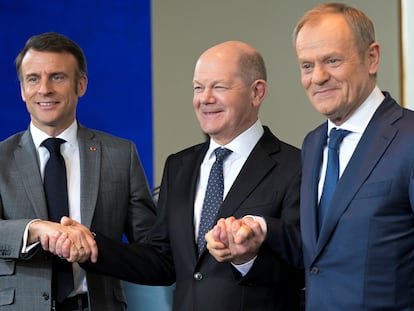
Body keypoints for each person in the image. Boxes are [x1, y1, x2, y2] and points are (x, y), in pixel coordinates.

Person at [53, 40, 304, 310]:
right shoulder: (179, 166)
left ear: (257, 92)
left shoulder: (296, 166)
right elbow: (163, 261)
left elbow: (304, 265)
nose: (205, 98)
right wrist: (93, 245)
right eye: (198, 87)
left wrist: (246, 258)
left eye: (219, 87)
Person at [0, 32, 156, 311]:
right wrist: (33, 229)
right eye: (33, 79)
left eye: (57, 77)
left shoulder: (121, 155)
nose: (44, 89)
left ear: (81, 85)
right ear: (22, 90)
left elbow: (153, 253)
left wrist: (94, 245)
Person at [292, 2, 414, 310]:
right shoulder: (312, 143)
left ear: (371, 58)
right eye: (307, 65)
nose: (317, 77)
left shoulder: (410, 138)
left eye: (332, 60)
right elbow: (322, 253)